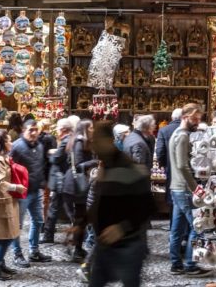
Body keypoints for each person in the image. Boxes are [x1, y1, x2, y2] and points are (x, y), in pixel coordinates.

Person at [88, 121, 156, 287]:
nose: (93, 146)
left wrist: (122, 228)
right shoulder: (105, 166)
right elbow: (98, 201)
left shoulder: (128, 166)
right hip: (104, 244)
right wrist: (81, 224)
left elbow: (148, 206)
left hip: (128, 245)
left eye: (96, 141)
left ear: (108, 141)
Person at [169, 104, 210, 276]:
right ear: (185, 117)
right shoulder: (183, 136)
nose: (197, 122)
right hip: (184, 189)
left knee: (177, 229)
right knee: (197, 227)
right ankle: (191, 265)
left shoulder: (176, 134)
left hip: (177, 187)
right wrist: (196, 189)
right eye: (195, 118)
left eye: (199, 118)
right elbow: (182, 165)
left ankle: (176, 264)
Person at [10, 120, 52, 267]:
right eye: (30, 130)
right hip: (22, 193)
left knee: (38, 220)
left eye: (36, 130)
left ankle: (34, 251)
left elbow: (40, 165)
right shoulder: (16, 147)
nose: (34, 133)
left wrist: (42, 182)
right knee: (17, 225)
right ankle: (17, 254)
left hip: (36, 190)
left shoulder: (39, 146)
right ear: (23, 131)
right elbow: (9, 166)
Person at [0, 130, 26, 281]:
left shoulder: (4, 159)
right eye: (9, 141)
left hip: (7, 202)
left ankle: (0, 263)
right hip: (3, 203)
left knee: (5, 235)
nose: (11, 143)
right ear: (2, 143)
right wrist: (16, 187)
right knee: (6, 236)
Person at [63, 119, 98, 263]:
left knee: (81, 219)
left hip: (78, 185)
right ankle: (74, 247)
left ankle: (76, 247)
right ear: (84, 129)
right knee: (79, 219)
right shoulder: (78, 142)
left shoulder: (83, 142)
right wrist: (95, 162)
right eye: (90, 128)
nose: (93, 130)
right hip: (74, 186)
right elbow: (77, 165)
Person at [42, 118, 73, 243]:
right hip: (65, 179)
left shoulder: (66, 141)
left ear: (64, 129)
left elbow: (56, 159)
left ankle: (48, 236)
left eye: (58, 129)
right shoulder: (71, 139)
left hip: (61, 180)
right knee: (66, 208)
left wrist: (51, 153)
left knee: (55, 208)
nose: (57, 131)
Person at [155, 108, 182, 205]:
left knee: (172, 193)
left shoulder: (164, 130)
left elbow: (160, 150)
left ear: (172, 117)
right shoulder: (187, 130)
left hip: (170, 165)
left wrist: (162, 165)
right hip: (186, 167)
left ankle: (172, 214)